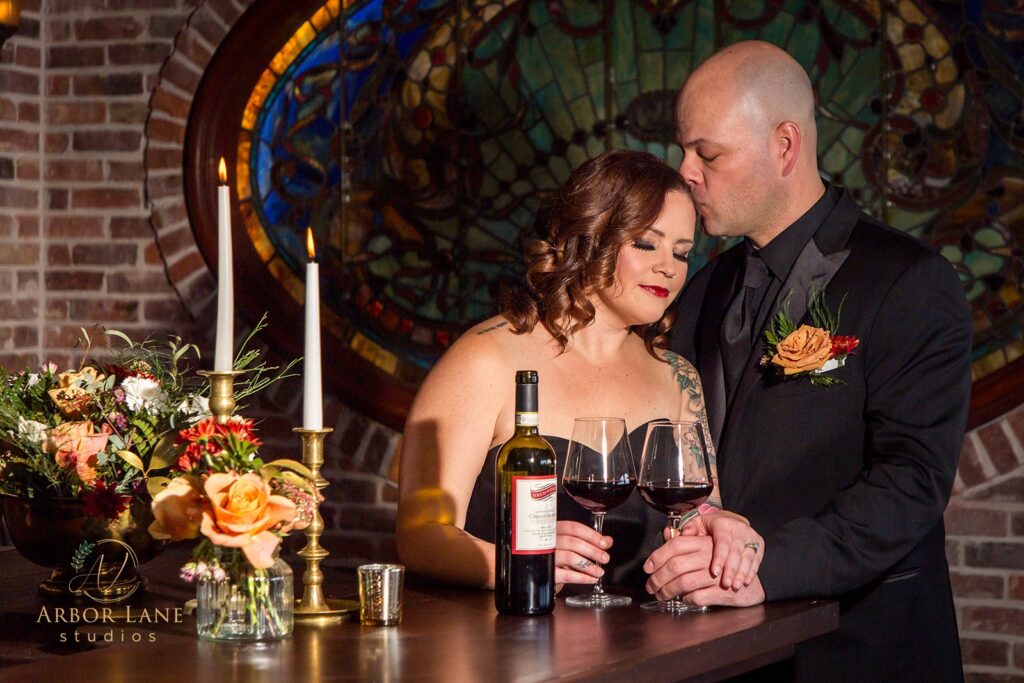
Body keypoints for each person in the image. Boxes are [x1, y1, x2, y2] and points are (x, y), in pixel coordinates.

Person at [652, 41, 971, 681]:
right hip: (716, 656)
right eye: (684, 150)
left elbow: (910, 483)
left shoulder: (909, 281)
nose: (684, 170)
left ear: (786, 146)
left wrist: (765, 566)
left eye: (706, 153)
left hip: (857, 650)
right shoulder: (701, 286)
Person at [397, 149, 762, 595]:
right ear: (589, 237)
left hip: (651, 646)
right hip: (512, 646)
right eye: (647, 243)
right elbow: (420, 537)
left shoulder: (676, 375)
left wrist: (722, 529)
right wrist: (518, 562)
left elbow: (695, 514)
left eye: (682, 253)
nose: (669, 267)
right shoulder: (484, 360)